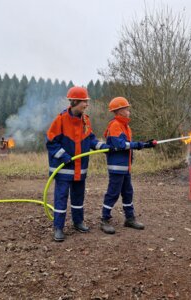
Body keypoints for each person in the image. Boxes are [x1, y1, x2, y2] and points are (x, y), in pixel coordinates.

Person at [46, 86, 110, 242]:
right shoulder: (60, 120)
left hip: (80, 170)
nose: (86, 104)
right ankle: (59, 227)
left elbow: (91, 140)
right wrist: (64, 156)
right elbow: (51, 142)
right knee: (61, 198)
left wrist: (103, 147)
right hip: (63, 171)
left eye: (86, 101)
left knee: (78, 198)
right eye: (84, 102)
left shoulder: (85, 120)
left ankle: (78, 222)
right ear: (74, 101)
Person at [100, 97, 156, 234]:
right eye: (126, 108)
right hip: (116, 167)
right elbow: (120, 145)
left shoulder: (126, 125)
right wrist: (140, 145)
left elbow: (128, 145)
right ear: (119, 111)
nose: (128, 111)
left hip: (126, 167)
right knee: (113, 193)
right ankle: (104, 220)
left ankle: (129, 218)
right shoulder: (115, 125)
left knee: (128, 193)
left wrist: (145, 144)